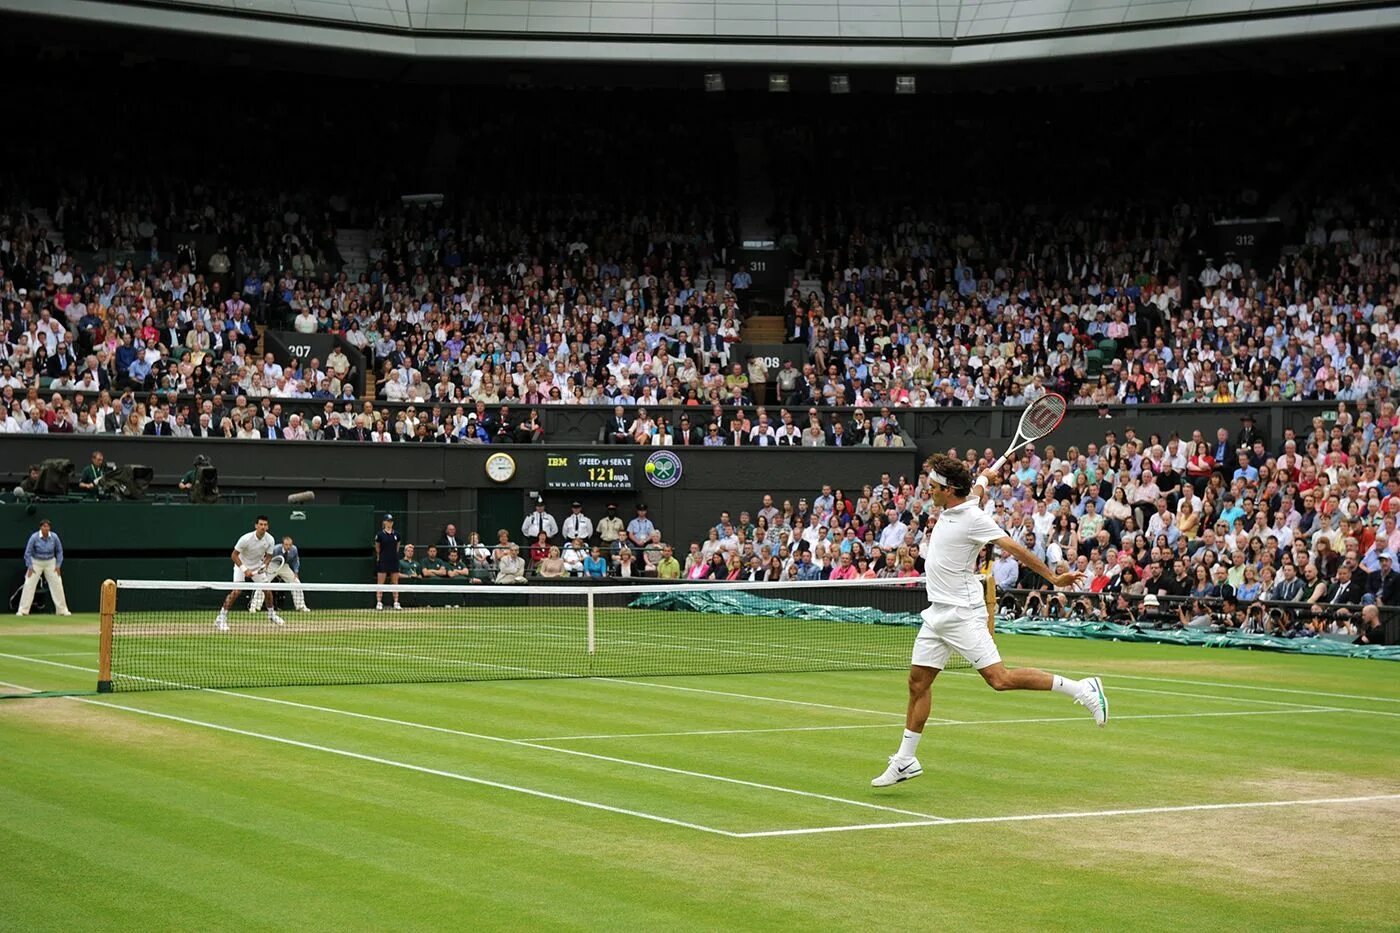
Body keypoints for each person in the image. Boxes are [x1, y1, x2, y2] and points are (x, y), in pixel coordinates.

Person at [871, 454, 1107, 788]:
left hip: (963, 613)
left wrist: (1053, 578)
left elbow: (1014, 548)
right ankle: (906, 760)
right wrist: (983, 478)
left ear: (949, 489)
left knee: (1000, 679)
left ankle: (1082, 689)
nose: (929, 491)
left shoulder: (973, 518)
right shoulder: (958, 505)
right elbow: (977, 490)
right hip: (937, 612)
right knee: (917, 683)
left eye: (934, 487)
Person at [214, 516, 287, 631]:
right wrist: (244, 569)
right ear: (256, 526)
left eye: (265, 525)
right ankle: (221, 618)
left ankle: (272, 615)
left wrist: (264, 565)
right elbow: (234, 555)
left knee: (267, 591)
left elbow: (268, 557)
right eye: (261, 524)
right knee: (236, 592)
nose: (263, 527)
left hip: (257, 565)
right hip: (241, 565)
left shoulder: (270, 540)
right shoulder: (245, 539)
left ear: (267, 526)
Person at [16, 519, 72, 616]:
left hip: (51, 562)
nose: (46, 528)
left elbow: (59, 551)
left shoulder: (54, 537)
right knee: (29, 584)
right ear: (40, 527)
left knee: (57, 584)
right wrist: (30, 566)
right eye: (44, 526)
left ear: (49, 528)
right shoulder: (34, 537)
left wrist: (58, 565)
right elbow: (28, 552)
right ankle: (23, 610)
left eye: (47, 526)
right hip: (36, 562)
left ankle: (62, 610)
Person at [249, 534, 310, 612]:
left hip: (284, 566)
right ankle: (254, 606)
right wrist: (265, 566)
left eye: (290, 545)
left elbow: (295, 561)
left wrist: (296, 572)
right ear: (282, 544)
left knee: (296, 583)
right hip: (272, 564)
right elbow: (266, 557)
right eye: (286, 545)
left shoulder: (294, 549)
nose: (288, 546)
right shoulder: (276, 549)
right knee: (263, 583)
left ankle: (300, 606)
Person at [374, 514, 402, 610]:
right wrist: (381, 556)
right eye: (388, 521)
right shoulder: (380, 535)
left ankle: (396, 602)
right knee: (380, 582)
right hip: (383, 560)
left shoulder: (397, 535)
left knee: (395, 582)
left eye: (391, 521)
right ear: (384, 522)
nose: (390, 523)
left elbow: (397, 547)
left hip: (394, 560)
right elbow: (377, 547)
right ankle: (379, 602)